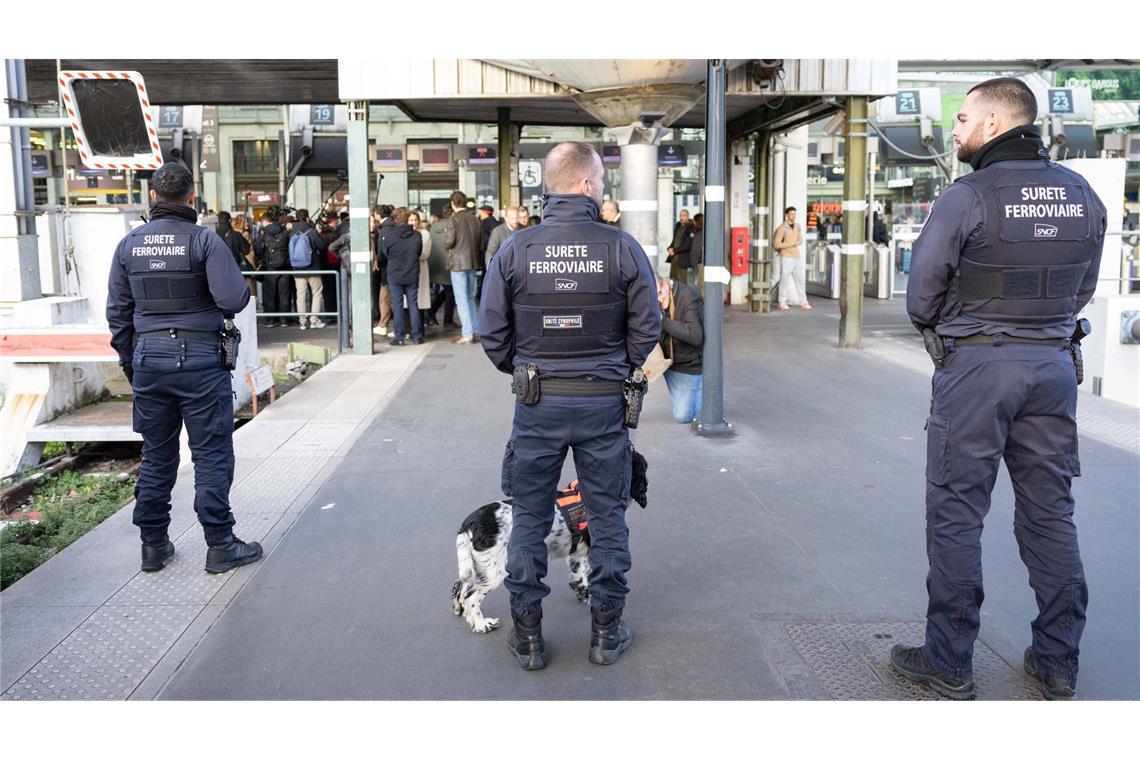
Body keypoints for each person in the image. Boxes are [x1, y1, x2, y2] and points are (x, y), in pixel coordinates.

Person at [891, 77, 1107, 701]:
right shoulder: (1081, 193)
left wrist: (965, 330)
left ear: (991, 123)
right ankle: (1058, 661)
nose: (954, 131)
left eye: (961, 120)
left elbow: (921, 296)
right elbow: (1083, 287)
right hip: (1053, 368)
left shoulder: (968, 195)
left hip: (979, 371)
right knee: (1050, 513)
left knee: (957, 512)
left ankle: (950, 663)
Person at [478, 141, 660, 670]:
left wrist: (527, 368)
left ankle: (529, 637)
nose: (602, 190)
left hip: (538, 405)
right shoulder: (622, 247)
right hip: (604, 404)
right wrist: (614, 368)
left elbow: (493, 333)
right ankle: (606, 632)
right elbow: (646, 326)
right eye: (600, 182)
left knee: (529, 517)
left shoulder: (516, 249)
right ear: (585, 185)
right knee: (607, 518)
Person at [105, 162, 263, 575]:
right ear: (191, 197)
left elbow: (118, 315)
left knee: (157, 455)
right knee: (210, 453)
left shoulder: (129, 245)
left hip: (148, 364)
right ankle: (220, 544)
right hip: (200, 364)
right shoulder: (204, 241)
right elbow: (233, 301)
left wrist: (130, 364)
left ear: (153, 196)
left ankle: (153, 545)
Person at [656, 274, 703, 423]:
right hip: (664, 360)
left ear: (665, 283)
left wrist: (663, 321)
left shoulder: (687, 296)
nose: (658, 299)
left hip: (686, 364)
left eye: (659, 293)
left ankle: (706, 387)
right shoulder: (650, 298)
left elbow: (695, 336)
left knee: (683, 416)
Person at [377, 207, 424, 346]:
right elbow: (418, 252)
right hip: (412, 273)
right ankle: (417, 336)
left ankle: (400, 337)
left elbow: (385, 254)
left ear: (395, 219)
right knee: (413, 305)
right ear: (408, 218)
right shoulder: (417, 235)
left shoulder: (389, 236)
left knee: (397, 306)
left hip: (395, 274)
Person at [443, 190, 482, 344]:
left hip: (458, 264)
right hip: (472, 262)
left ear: (453, 204)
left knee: (461, 299)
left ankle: (467, 334)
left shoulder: (453, 219)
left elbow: (449, 242)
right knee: (471, 297)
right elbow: (480, 242)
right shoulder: (475, 219)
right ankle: (476, 330)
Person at [290, 209, 328, 330]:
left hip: (297, 268)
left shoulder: (292, 232)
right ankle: (314, 320)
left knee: (300, 295)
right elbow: (322, 246)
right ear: (307, 218)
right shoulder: (311, 231)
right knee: (316, 293)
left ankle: (302, 322)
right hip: (313, 267)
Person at [260, 209, 293, 327]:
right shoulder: (285, 230)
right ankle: (284, 320)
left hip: (270, 267)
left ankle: (271, 320)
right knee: (284, 294)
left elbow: (259, 249)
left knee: (270, 294)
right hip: (285, 266)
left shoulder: (264, 232)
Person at [774, 206, 810, 311]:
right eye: (791, 214)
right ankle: (782, 302)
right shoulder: (782, 228)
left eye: (794, 214)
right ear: (787, 215)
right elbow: (777, 244)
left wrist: (798, 242)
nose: (793, 216)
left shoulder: (797, 226)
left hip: (796, 257)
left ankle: (804, 302)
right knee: (784, 280)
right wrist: (791, 244)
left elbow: (800, 240)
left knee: (800, 280)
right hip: (786, 257)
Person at [427, 205, 458, 329]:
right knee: (450, 292)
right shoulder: (453, 225)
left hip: (434, 264)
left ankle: (431, 312)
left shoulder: (433, 227)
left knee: (447, 291)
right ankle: (447, 320)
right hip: (449, 264)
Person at [372, 205, 396, 336]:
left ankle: (383, 325)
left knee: (385, 298)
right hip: (395, 268)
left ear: (378, 215)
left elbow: (382, 252)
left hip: (387, 269)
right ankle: (383, 324)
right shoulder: (393, 226)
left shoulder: (384, 229)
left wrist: (376, 261)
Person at [408, 210, 433, 331]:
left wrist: (410, 254)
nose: (413, 222)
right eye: (411, 220)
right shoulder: (405, 233)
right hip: (407, 269)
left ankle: (419, 330)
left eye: (415, 220)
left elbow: (425, 254)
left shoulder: (424, 234)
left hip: (420, 268)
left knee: (419, 301)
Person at [666, 209, 692, 281]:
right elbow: (675, 240)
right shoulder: (678, 225)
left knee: (681, 280)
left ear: (687, 216)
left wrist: (674, 250)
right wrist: (670, 248)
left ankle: (683, 292)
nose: (681, 217)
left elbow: (687, 245)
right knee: (672, 280)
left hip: (682, 259)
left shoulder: (690, 227)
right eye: (680, 215)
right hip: (674, 257)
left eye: (684, 215)